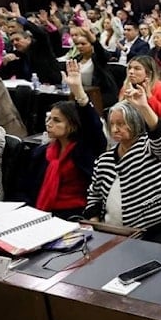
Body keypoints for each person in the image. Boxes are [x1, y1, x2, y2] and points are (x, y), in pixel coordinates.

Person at [84, 86, 161, 243]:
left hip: (157, 230)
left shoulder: (150, 148)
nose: (115, 129)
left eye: (121, 124)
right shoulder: (104, 160)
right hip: (112, 232)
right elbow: (94, 196)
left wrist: (144, 106)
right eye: (112, 124)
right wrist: (94, 225)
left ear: (135, 122)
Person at [25, 60, 106, 218]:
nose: (49, 124)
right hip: (41, 212)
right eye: (49, 119)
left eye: (57, 120)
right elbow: (27, 188)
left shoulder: (85, 150)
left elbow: (94, 128)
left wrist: (78, 91)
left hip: (74, 214)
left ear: (73, 125)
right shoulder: (42, 153)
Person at [119, 55, 161, 123]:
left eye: (137, 69)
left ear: (148, 73)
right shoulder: (127, 86)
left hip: (154, 128)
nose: (131, 71)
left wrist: (150, 96)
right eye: (130, 68)